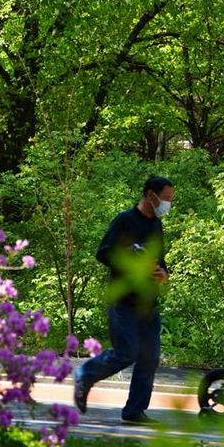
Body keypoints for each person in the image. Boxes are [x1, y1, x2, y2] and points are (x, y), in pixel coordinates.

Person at [73, 175, 174, 424]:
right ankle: (85, 374)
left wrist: (163, 273)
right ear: (151, 195)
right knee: (126, 353)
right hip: (123, 302)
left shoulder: (156, 226)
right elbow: (104, 253)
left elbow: (159, 260)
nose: (168, 203)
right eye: (166, 198)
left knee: (150, 356)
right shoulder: (124, 220)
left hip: (148, 302)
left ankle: (134, 411)